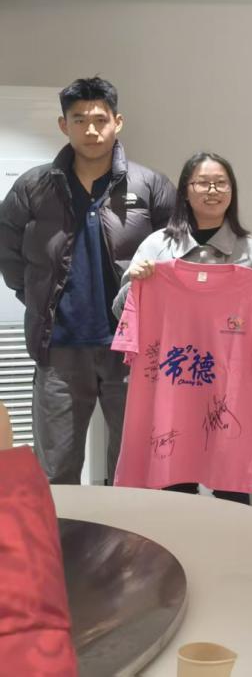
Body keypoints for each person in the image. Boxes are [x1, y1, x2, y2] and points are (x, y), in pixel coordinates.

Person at [0, 76, 175, 484]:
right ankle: (61, 530)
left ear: (118, 122)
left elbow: (175, 251)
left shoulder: (150, 185)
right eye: (79, 120)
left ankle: (126, 530)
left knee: (134, 467)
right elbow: (7, 248)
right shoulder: (34, 187)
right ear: (64, 125)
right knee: (56, 470)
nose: (91, 130)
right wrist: (35, 295)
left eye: (100, 119)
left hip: (131, 348)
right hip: (59, 348)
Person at [114, 151, 252, 504]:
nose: (212, 191)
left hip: (228, 390)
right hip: (171, 389)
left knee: (231, 491)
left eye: (221, 183)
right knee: (174, 489)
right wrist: (134, 284)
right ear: (186, 190)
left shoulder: (251, 251)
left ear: (232, 191)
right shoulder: (157, 246)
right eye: (203, 183)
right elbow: (124, 316)